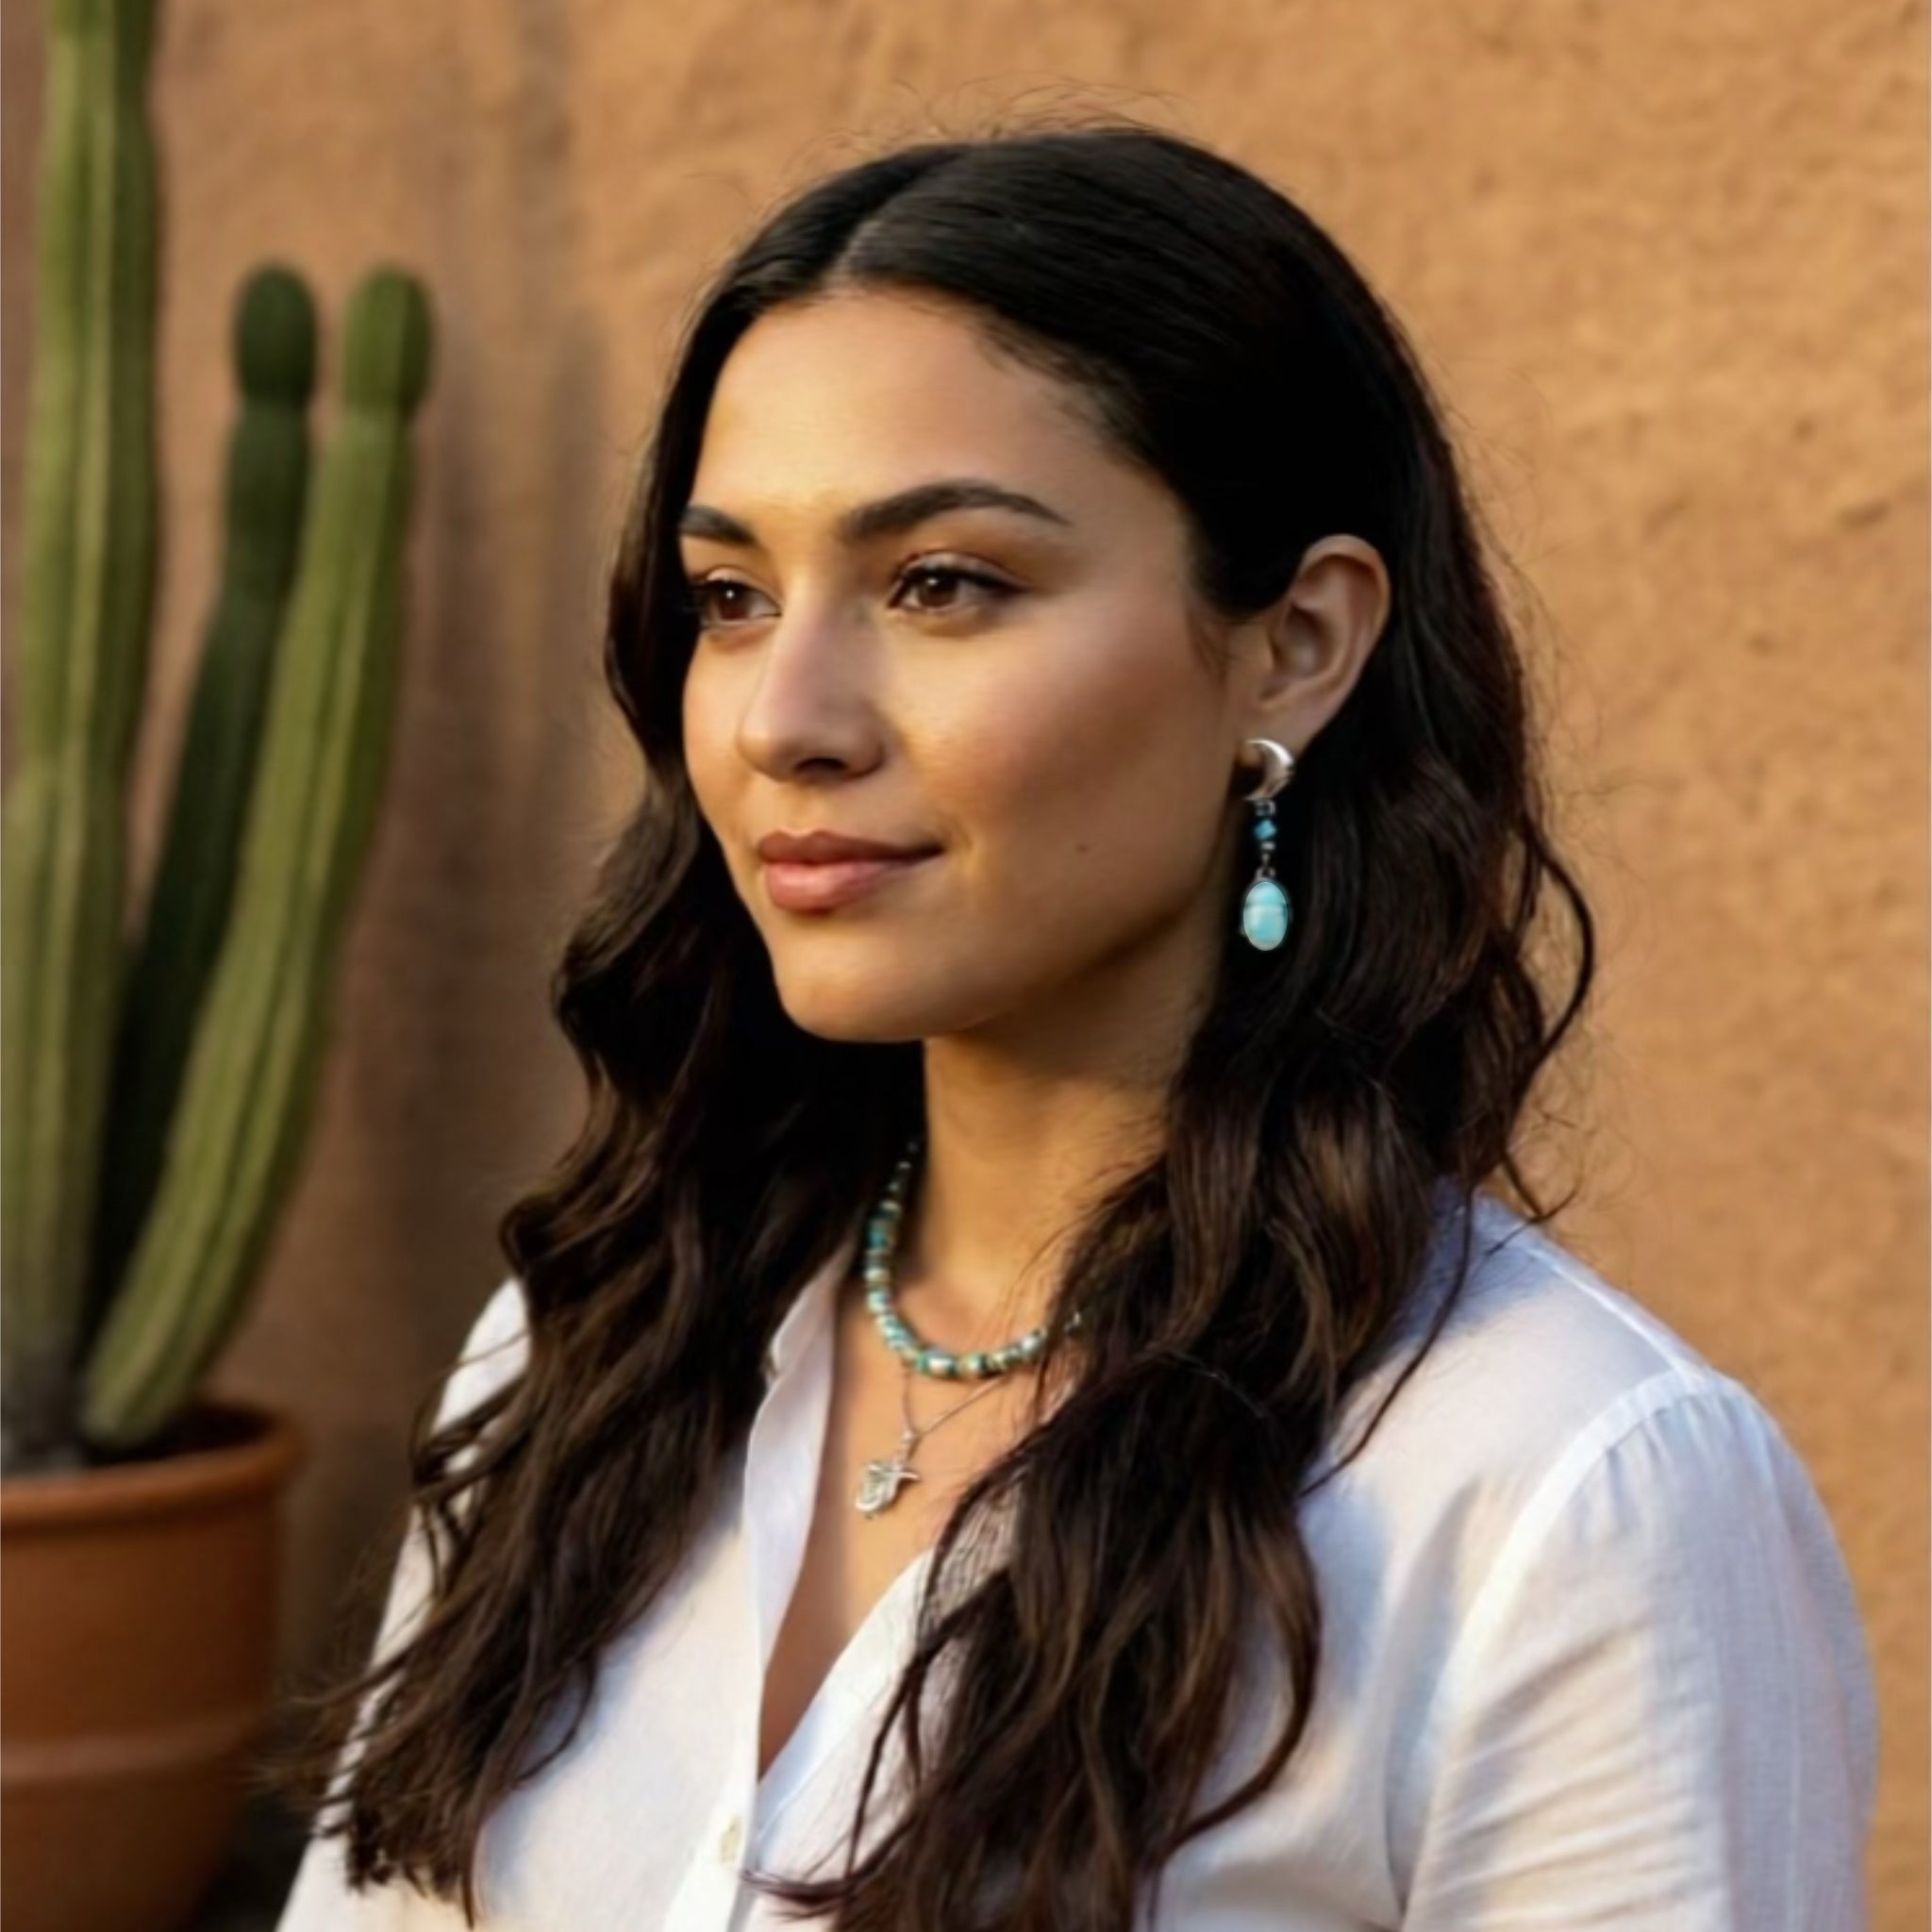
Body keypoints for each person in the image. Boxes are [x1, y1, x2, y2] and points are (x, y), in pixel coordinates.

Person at [262, 121, 1878, 1931]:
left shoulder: (1562, 1494)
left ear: (1296, 646)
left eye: (943, 583)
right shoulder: (593, 1353)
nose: (787, 715)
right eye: (734, 596)